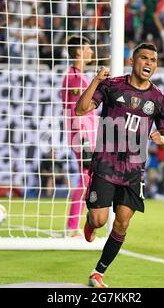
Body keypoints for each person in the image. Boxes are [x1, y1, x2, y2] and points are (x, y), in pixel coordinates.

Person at [75, 42, 164, 287]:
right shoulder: (111, 86)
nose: (149, 63)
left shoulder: (159, 99)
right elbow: (80, 109)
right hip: (106, 164)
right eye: (144, 58)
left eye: (153, 59)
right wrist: (96, 81)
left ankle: (98, 273)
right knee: (99, 220)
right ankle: (90, 222)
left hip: (133, 170)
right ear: (132, 61)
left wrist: (162, 139)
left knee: (122, 222)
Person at [62, 35, 98, 237]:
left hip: (88, 137)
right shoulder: (75, 78)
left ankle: (82, 225)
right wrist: (84, 140)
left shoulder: (80, 76)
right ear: (78, 52)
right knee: (85, 180)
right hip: (82, 137)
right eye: (88, 48)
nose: (91, 51)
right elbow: (78, 111)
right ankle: (72, 227)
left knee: (91, 180)